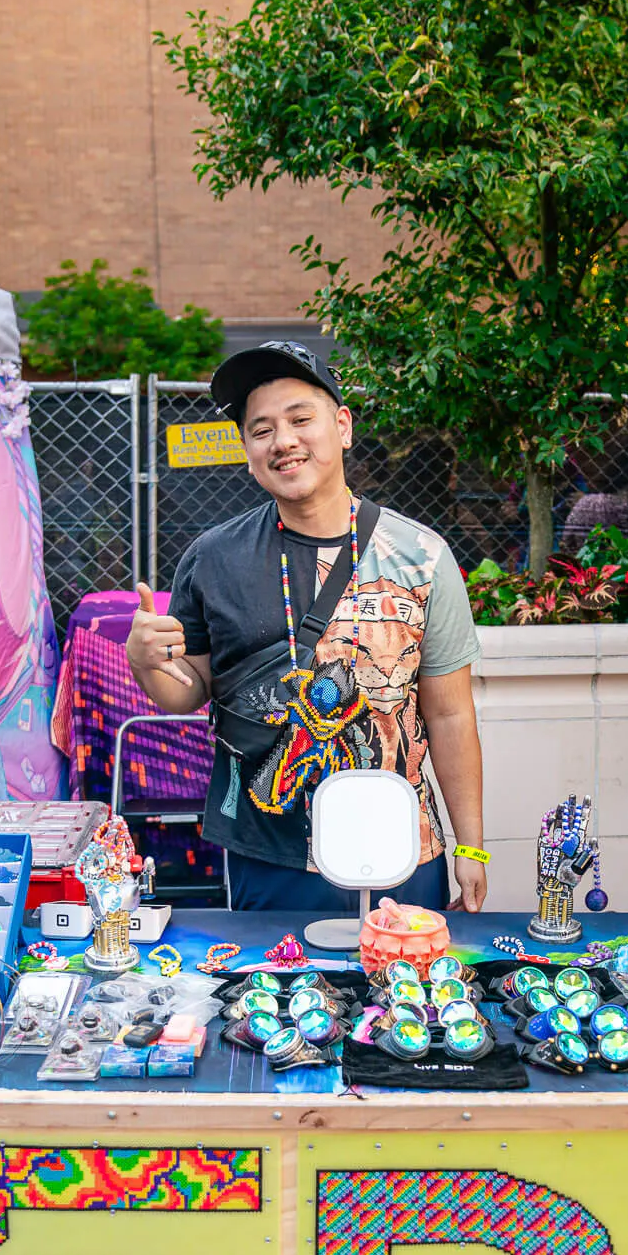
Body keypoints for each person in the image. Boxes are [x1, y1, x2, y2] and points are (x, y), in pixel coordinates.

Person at [126, 341, 488, 915]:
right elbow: (189, 691)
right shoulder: (213, 557)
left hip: (401, 844)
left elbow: (450, 715)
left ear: (342, 426)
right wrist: (145, 661)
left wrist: (470, 845)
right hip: (269, 851)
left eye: (301, 419)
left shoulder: (421, 556)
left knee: (403, 975)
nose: (283, 441)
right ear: (248, 451)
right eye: (262, 429)